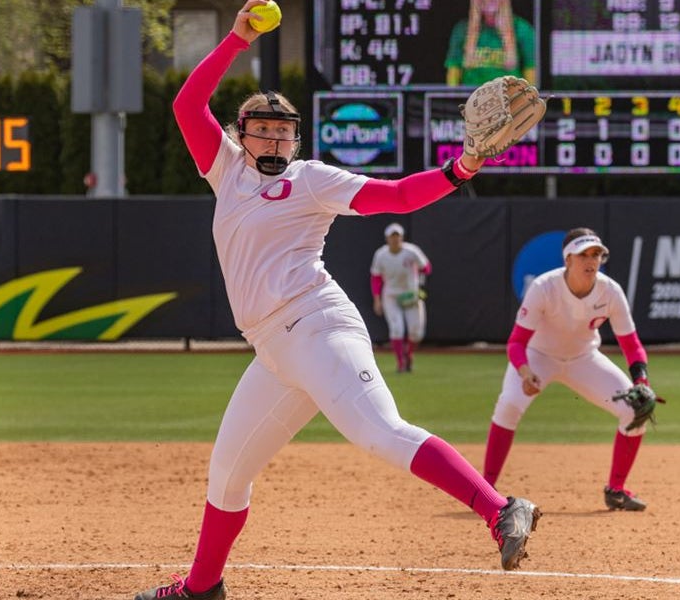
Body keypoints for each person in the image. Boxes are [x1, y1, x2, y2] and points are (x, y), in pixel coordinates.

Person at [137, 3, 541, 598]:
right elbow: (184, 104)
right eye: (262, 129)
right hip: (274, 352)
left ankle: (501, 508)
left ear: (296, 138)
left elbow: (398, 197)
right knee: (226, 476)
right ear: (238, 134)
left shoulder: (310, 179)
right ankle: (201, 589)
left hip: (317, 326)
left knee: (379, 431)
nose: (274, 137)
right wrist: (235, 39)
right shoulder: (225, 170)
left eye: (283, 130)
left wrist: (459, 169)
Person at [482, 228, 655, 512]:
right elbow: (516, 342)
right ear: (568, 260)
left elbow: (632, 345)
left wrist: (642, 380)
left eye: (597, 254)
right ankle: (485, 488)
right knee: (509, 404)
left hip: (583, 358)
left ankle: (616, 490)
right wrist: (525, 372)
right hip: (538, 356)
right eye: (583, 254)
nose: (591, 260)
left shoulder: (610, 291)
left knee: (635, 410)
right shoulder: (544, 287)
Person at [370, 222, 431, 373]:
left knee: (416, 332)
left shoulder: (411, 252)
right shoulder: (381, 254)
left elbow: (427, 268)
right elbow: (376, 278)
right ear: (387, 238)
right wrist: (377, 299)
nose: (395, 240)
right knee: (396, 329)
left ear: (402, 237)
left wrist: (419, 273)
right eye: (392, 237)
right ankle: (400, 362)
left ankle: (409, 354)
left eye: (397, 236)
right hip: (391, 295)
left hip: (410, 294)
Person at [445, 0, 537, 87]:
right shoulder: (461, 29)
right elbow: (454, 69)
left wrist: (528, 99)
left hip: (509, 98)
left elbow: (530, 68)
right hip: (472, 98)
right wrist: (454, 98)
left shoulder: (522, 28)